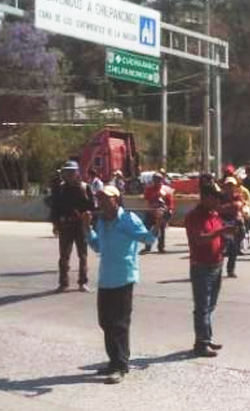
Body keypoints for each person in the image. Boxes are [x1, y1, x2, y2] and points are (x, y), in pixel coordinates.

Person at [87, 185, 155, 384]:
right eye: (100, 199)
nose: (103, 202)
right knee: (105, 322)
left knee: (119, 324)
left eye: (107, 198)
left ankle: (121, 365)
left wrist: (158, 224)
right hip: (106, 278)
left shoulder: (128, 219)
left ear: (117, 200)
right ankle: (113, 361)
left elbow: (148, 238)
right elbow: (98, 246)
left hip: (123, 277)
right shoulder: (101, 221)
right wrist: (86, 228)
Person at [187, 183, 236, 357]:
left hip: (216, 264)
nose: (218, 201)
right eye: (215, 197)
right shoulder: (194, 216)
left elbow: (219, 234)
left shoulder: (214, 215)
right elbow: (199, 239)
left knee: (210, 304)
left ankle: (205, 337)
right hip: (201, 266)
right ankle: (201, 343)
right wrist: (221, 231)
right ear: (205, 197)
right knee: (202, 306)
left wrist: (226, 236)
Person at [50, 161, 93, 293]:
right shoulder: (60, 188)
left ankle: (83, 282)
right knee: (64, 256)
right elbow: (55, 208)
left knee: (83, 255)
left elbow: (91, 207)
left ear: (77, 173)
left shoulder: (85, 187)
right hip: (65, 225)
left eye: (72, 172)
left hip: (80, 225)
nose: (69, 175)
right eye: (66, 172)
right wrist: (55, 224)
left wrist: (90, 224)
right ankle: (63, 283)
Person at [219, 176, 247, 277]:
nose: (230, 187)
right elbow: (218, 209)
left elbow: (238, 206)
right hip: (222, 223)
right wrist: (229, 207)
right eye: (228, 185)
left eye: (232, 185)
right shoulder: (220, 196)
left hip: (234, 223)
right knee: (220, 249)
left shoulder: (238, 195)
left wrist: (228, 207)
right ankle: (217, 270)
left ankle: (230, 270)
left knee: (233, 249)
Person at [142, 172, 175, 253]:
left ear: (162, 180)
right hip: (151, 212)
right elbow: (147, 200)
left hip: (162, 212)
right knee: (148, 229)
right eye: (155, 179)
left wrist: (170, 210)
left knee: (161, 230)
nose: (157, 181)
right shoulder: (149, 189)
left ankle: (161, 247)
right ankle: (147, 246)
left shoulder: (166, 189)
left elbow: (170, 201)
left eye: (159, 179)